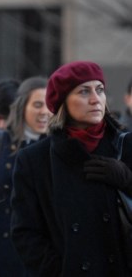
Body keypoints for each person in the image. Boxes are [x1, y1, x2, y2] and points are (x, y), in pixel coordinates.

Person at [11, 61, 132, 276]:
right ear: (62, 102)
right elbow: (25, 233)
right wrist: (59, 270)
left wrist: (127, 180)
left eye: (100, 90)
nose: (96, 99)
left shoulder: (126, 146)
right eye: (84, 91)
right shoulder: (34, 159)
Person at [0, 76, 51, 277]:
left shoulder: (57, 147)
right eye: (37, 105)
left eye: (49, 104)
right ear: (22, 107)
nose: (44, 111)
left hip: (43, 257)